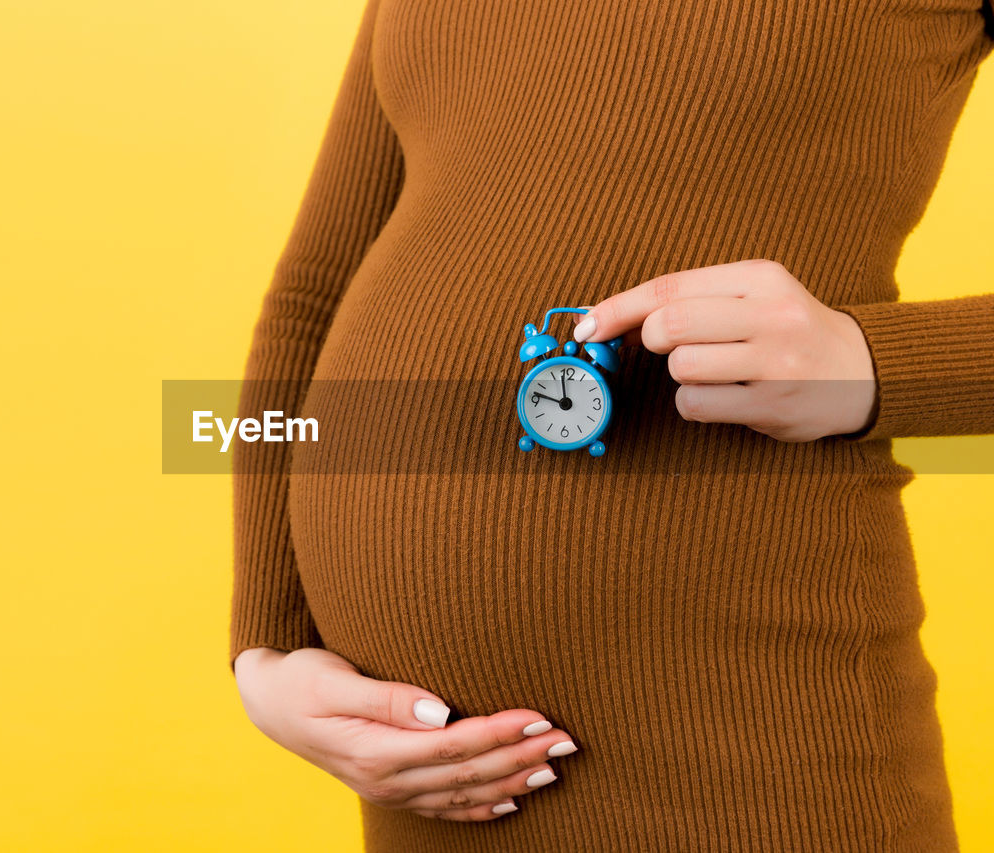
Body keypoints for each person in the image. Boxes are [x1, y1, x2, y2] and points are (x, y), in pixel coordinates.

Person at [231, 1, 994, 850]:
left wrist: (875, 362)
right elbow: (310, 296)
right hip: (429, 775)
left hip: (749, 732)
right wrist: (266, 645)